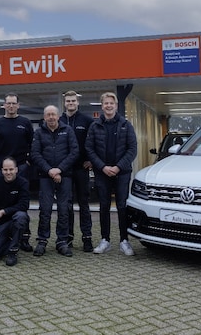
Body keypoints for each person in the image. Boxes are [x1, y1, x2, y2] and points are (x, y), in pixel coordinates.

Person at [85, 91, 138, 256]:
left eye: (111, 103)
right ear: (102, 106)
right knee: (104, 206)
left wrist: (118, 167)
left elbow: (132, 149)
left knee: (122, 206)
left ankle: (124, 241)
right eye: (106, 103)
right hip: (102, 173)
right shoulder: (94, 126)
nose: (109, 106)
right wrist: (102, 167)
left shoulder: (126, 125)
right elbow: (89, 149)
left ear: (116, 106)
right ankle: (105, 240)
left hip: (122, 173)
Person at [0, 92, 35, 252]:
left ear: (18, 105)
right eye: (9, 103)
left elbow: (33, 145)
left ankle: (24, 237)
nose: (11, 106)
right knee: (2, 202)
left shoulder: (25, 123)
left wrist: (28, 162)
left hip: (21, 168)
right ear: (4, 105)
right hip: (1, 170)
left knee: (22, 206)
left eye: (14, 103)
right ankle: (1, 231)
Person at [31, 105, 79, 257]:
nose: (51, 117)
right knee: (45, 209)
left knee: (64, 210)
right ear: (45, 117)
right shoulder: (39, 132)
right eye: (48, 115)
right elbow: (35, 154)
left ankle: (62, 241)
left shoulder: (68, 131)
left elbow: (74, 152)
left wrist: (59, 169)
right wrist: (49, 170)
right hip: (46, 176)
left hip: (64, 176)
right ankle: (42, 240)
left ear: (58, 116)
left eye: (53, 114)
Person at [60, 90, 95, 252]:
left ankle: (87, 237)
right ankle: (68, 237)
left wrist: (91, 160)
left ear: (78, 102)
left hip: (82, 168)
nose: (71, 103)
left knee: (84, 204)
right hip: (65, 170)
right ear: (64, 103)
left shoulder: (87, 121)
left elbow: (93, 142)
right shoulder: (59, 120)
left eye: (73, 101)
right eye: (68, 101)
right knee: (66, 205)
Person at [0, 157, 31, 266]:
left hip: (15, 222)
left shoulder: (23, 183)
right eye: (5, 170)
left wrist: (3, 211)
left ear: (16, 169)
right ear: (1, 170)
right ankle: (9, 242)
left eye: (11, 169)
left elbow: (24, 205)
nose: (8, 172)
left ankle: (13, 252)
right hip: (1, 225)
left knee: (21, 216)